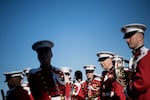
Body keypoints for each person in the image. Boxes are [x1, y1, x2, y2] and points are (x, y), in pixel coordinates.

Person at [121, 23, 150, 100]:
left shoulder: (146, 55)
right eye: (126, 37)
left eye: (130, 36)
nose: (127, 40)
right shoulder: (136, 56)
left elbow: (144, 82)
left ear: (140, 37)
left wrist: (128, 89)